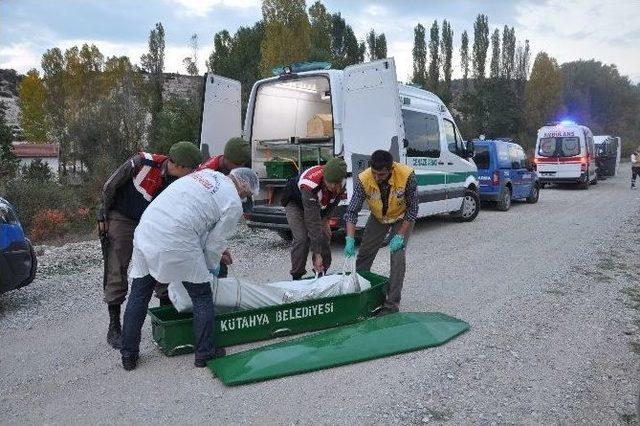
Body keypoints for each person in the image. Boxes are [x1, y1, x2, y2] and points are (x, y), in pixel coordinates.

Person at [119, 167, 260, 370]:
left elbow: (197, 216)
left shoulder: (206, 175)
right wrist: (211, 269)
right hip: (177, 236)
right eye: (246, 195)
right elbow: (214, 244)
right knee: (201, 294)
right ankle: (205, 353)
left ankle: (128, 356)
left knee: (140, 293)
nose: (244, 198)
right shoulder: (233, 202)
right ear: (244, 187)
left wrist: (218, 250)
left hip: (148, 229)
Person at [98, 141, 203, 349]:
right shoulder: (142, 162)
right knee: (117, 267)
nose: (193, 174)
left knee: (163, 263)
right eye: (191, 169)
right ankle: (114, 325)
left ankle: (166, 316)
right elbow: (110, 185)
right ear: (180, 166)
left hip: (153, 224)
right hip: (123, 218)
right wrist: (102, 215)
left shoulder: (180, 182)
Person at [343, 150, 418, 316]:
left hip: (401, 216)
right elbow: (352, 211)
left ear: (391, 169)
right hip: (378, 217)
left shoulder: (407, 175)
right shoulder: (364, 178)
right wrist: (349, 239)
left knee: (397, 256)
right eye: (374, 173)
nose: (377, 177)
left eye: (381, 174)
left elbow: (413, 209)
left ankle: (391, 305)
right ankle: (359, 295)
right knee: (364, 254)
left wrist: (400, 235)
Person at [281, 158, 348, 280]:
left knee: (326, 234)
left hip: (317, 205)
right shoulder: (310, 184)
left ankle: (322, 271)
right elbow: (313, 222)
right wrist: (317, 254)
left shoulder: (342, 184)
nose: (333, 186)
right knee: (302, 238)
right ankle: (297, 275)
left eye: (336, 183)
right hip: (295, 203)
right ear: (324, 177)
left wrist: (326, 219)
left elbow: (332, 204)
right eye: (330, 182)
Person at [198, 137, 251, 278]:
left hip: (215, 223)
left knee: (221, 268)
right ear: (226, 157)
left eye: (243, 164)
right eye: (238, 164)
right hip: (200, 224)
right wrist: (217, 250)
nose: (241, 167)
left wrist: (222, 247)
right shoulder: (207, 171)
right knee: (211, 269)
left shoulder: (232, 167)